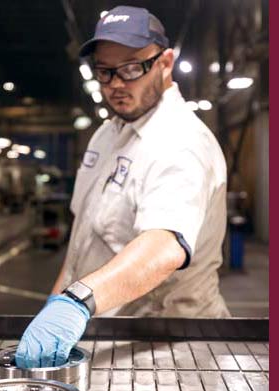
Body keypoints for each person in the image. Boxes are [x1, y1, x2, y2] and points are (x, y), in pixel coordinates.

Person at [16, 5, 228, 368]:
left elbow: (163, 246)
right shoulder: (107, 134)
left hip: (171, 346)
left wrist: (77, 301)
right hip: (109, 333)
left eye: (131, 68)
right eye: (104, 71)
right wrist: (55, 304)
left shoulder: (181, 140)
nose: (116, 83)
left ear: (164, 63)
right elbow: (82, 241)